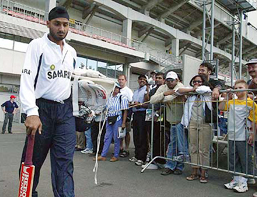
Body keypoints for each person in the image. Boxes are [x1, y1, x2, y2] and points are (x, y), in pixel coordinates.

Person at [19, 7, 77, 197]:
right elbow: (27, 79)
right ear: (48, 24)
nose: (62, 28)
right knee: (32, 161)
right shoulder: (37, 45)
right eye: (57, 24)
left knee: (65, 163)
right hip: (41, 110)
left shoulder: (71, 51)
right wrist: (31, 112)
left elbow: (71, 82)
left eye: (65, 25)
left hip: (65, 111)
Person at [219, 79, 257, 193]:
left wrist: (252, 134)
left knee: (245, 158)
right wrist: (227, 96)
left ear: (246, 89)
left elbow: (254, 121)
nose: (238, 90)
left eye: (241, 88)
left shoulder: (251, 103)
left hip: (244, 135)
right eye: (236, 88)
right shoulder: (231, 102)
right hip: (232, 135)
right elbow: (221, 107)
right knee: (233, 158)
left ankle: (244, 181)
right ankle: (235, 179)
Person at [150, 71, 186, 175]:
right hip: (172, 120)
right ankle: (171, 165)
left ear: (177, 80)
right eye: (168, 80)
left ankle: (178, 166)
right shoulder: (163, 87)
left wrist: (163, 97)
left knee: (180, 145)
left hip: (182, 121)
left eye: (172, 80)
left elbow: (171, 97)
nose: (170, 82)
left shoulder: (180, 86)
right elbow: (152, 100)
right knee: (173, 144)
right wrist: (164, 94)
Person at [179, 74, 213, 183]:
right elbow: (179, 90)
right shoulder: (191, 95)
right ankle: (194, 171)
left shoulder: (206, 92)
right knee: (193, 148)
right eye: (194, 82)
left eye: (199, 81)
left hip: (205, 123)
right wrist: (191, 90)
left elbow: (205, 88)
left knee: (204, 149)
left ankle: (203, 173)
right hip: (192, 123)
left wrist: (194, 89)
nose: (196, 84)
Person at [94, 84, 128, 162]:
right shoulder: (109, 98)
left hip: (117, 118)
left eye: (118, 88)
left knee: (116, 138)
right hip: (109, 118)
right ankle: (103, 155)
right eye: (115, 87)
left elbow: (125, 110)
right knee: (107, 137)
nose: (116, 89)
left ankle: (116, 155)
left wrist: (123, 122)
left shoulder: (122, 97)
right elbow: (105, 107)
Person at [144, 72, 166, 168]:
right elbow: (148, 100)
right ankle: (152, 157)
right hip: (150, 115)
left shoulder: (165, 89)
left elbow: (164, 104)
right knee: (150, 137)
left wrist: (157, 114)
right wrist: (147, 89)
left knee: (159, 138)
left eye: (160, 78)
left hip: (159, 117)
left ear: (164, 80)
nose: (157, 79)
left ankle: (159, 160)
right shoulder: (153, 90)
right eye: (156, 78)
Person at [129, 75, 149, 166]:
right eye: (140, 79)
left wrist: (140, 105)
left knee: (142, 136)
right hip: (135, 114)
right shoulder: (136, 91)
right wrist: (131, 104)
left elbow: (147, 103)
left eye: (144, 79)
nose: (142, 81)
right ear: (138, 80)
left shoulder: (146, 90)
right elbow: (133, 102)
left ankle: (142, 157)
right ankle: (137, 156)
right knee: (136, 136)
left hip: (143, 114)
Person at [118, 74, 133, 158]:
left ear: (125, 81)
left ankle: (127, 149)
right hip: (118, 114)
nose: (120, 81)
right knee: (120, 132)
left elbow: (131, 102)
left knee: (126, 132)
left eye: (122, 79)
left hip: (126, 113)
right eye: (119, 79)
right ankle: (121, 148)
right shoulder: (117, 90)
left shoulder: (128, 91)